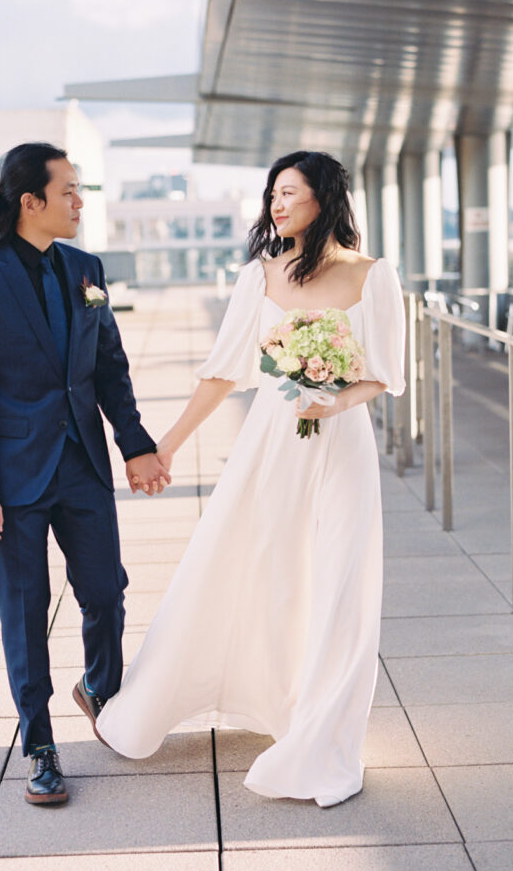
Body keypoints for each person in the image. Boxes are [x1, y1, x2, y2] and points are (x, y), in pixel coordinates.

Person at [93, 150, 405, 807]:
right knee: (238, 566)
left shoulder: (375, 277)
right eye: (273, 195)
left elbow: (387, 374)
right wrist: (165, 447)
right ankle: (167, 701)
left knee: (341, 586)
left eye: (290, 192)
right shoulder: (257, 278)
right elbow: (222, 373)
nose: (277, 205)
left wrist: (335, 398)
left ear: (325, 198)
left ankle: (318, 741)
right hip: (270, 444)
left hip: (340, 447)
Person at [0, 142, 169, 807]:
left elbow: (109, 367)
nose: (79, 202)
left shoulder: (85, 268)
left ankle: (101, 689)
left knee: (106, 590)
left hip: (83, 465)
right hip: (11, 479)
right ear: (29, 202)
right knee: (26, 607)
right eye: (68, 191)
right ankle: (39, 743)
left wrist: (135, 445)